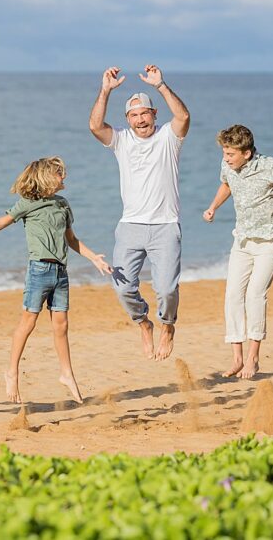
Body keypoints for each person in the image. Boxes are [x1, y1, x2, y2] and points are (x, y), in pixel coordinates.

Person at [0, 157, 112, 404]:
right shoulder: (28, 203)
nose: (64, 177)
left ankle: (66, 373)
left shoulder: (62, 204)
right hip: (39, 270)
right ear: (47, 177)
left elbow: (71, 240)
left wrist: (95, 258)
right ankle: (12, 371)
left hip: (61, 272)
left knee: (61, 326)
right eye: (60, 173)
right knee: (28, 323)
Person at [88, 64, 190, 361]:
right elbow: (95, 126)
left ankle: (167, 325)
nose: (140, 119)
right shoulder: (121, 140)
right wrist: (105, 90)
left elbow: (183, 116)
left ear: (154, 114)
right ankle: (144, 323)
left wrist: (160, 85)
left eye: (144, 113)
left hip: (165, 226)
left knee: (167, 289)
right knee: (122, 289)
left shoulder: (169, 138)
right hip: (130, 226)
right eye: (133, 115)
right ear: (127, 120)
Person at [202, 124, 273, 379]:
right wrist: (213, 207)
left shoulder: (269, 165)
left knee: (255, 293)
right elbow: (227, 185)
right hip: (243, 240)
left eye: (230, 154)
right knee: (233, 294)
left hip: (271, 239)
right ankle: (237, 358)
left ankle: (253, 358)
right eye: (224, 153)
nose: (226, 158)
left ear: (247, 152)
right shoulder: (228, 165)